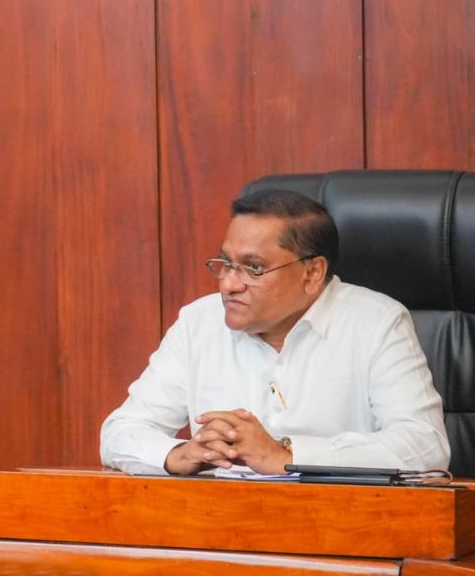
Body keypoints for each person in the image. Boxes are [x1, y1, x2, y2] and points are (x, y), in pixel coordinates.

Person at [100, 189, 450, 476]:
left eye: (253, 268)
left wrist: (286, 455)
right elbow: (120, 432)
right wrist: (178, 454)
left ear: (312, 274)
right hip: (217, 521)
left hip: (339, 523)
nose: (229, 284)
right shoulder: (199, 322)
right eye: (226, 264)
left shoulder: (376, 322)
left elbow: (425, 446)